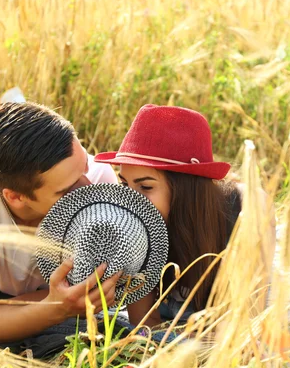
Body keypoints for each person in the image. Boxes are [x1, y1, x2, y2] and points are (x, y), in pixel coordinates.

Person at [0, 102, 121, 343]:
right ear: (16, 197)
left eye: (84, 166)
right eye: (66, 191)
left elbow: (104, 286)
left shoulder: (99, 178)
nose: (87, 189)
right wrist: (55, 309)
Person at [95, 104, 275, 327]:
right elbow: (144, 327)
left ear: (184, 188)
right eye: (125, 184)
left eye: (146, 187)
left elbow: (242, 325)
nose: (130, 201)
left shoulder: (247, 209)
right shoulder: (133, 226)